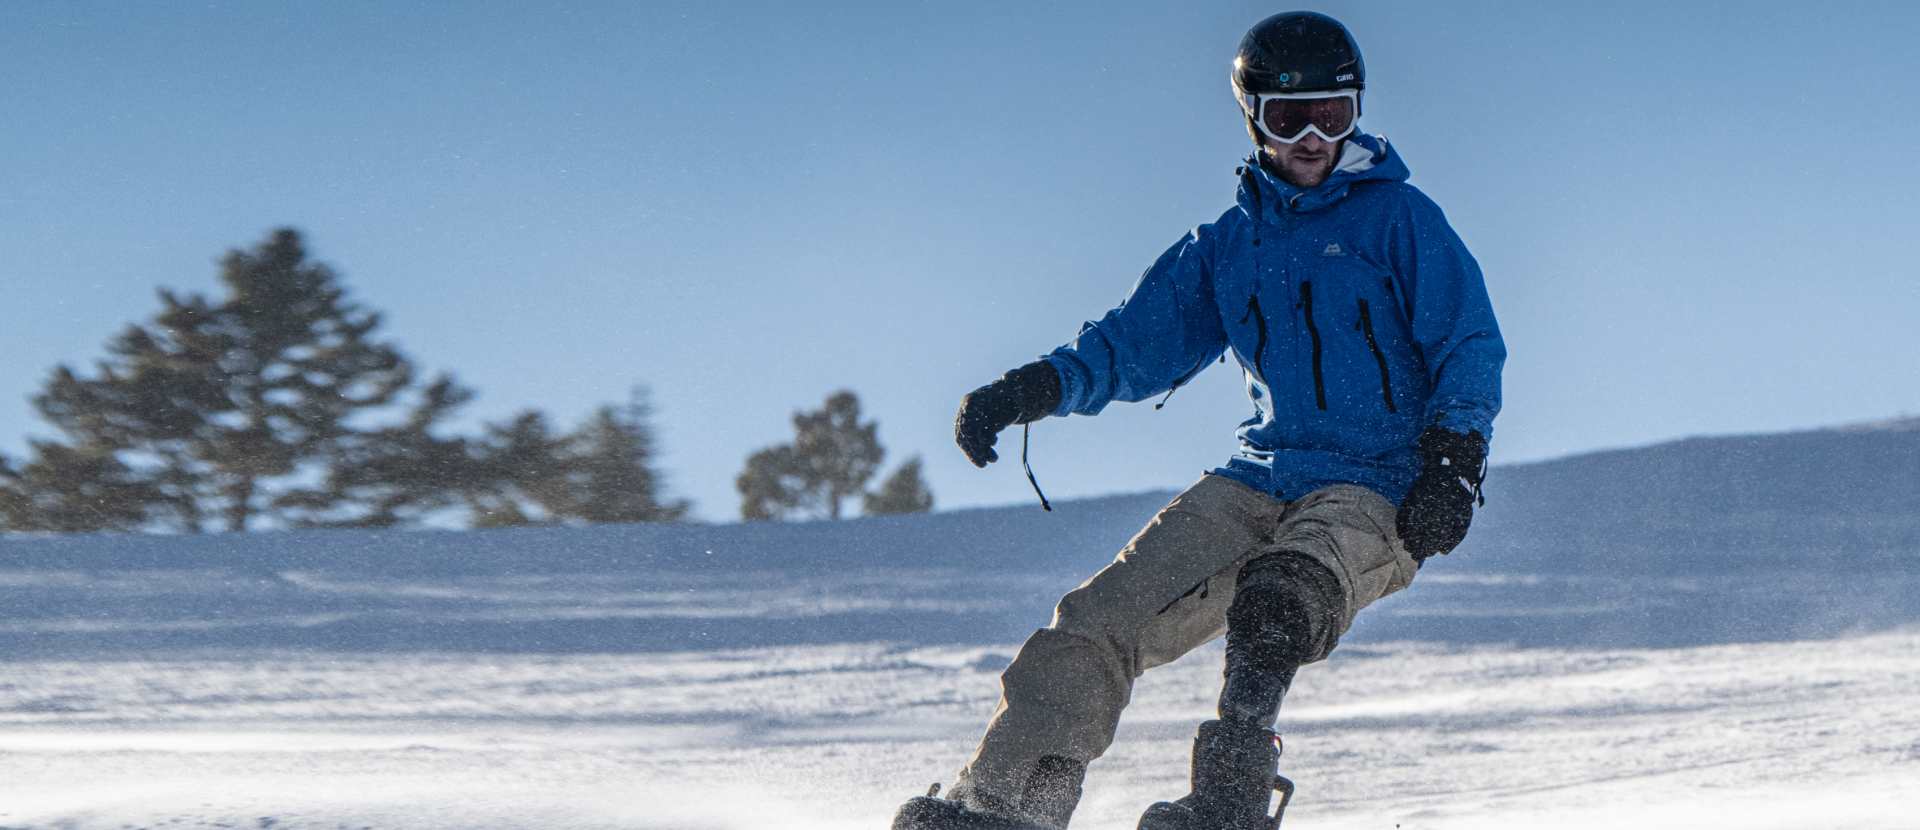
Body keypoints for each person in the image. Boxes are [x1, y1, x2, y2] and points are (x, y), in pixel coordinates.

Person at [891, 11, 1504, 830]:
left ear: (1358, 113)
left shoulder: (1400, 221)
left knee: (1280, 601)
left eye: (1335, 114)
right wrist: (1031, 388)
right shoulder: (1227, 245)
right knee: (1098, 620)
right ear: (1254, 117)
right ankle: (1010, 801)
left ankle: (1228, 803)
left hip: (1378, 484)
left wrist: (1455, 464)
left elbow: (1466, 343)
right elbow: (1131, 345)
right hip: (1261, 474)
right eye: (1291, 119)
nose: (1314, 137)